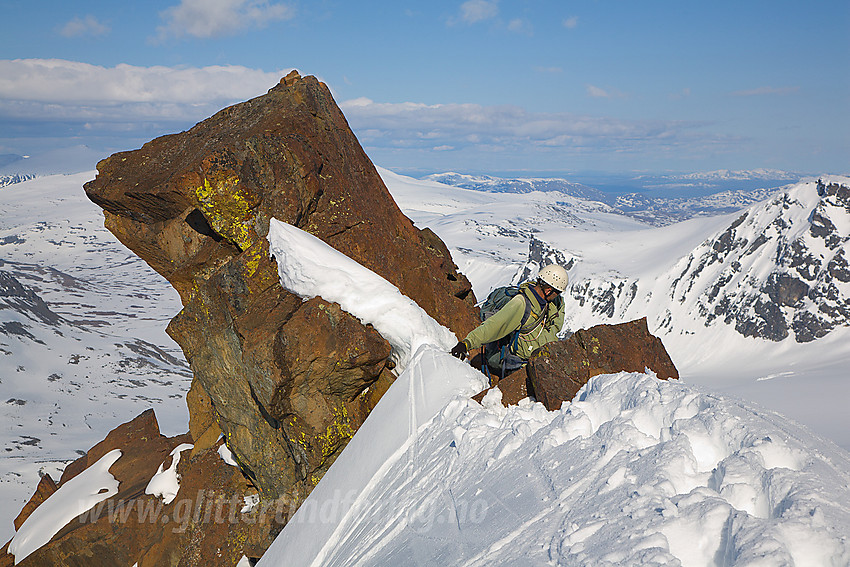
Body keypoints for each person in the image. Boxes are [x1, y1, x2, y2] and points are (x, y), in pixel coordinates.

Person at [450, 264, 568, 378]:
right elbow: (494, 326)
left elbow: (554, 329)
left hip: (543, 360)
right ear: (548, 290)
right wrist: (466, 344)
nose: (559, 296)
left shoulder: (554, 304)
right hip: (520, 363)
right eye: (557, 292)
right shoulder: (521, 303)